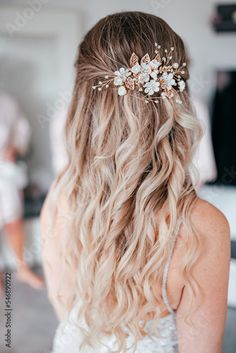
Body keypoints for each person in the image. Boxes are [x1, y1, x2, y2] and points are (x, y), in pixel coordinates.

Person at [40, 12, 230, 353]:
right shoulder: (203, 228)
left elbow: (65, 306)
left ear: (84, 99)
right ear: (179, 97)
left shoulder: (61, 196)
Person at [0, 93, 44, 291]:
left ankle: (22, 267)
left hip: (5, 171)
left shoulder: (7, 102)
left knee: (13, 218)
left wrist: (15, 149)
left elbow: (21, 132)